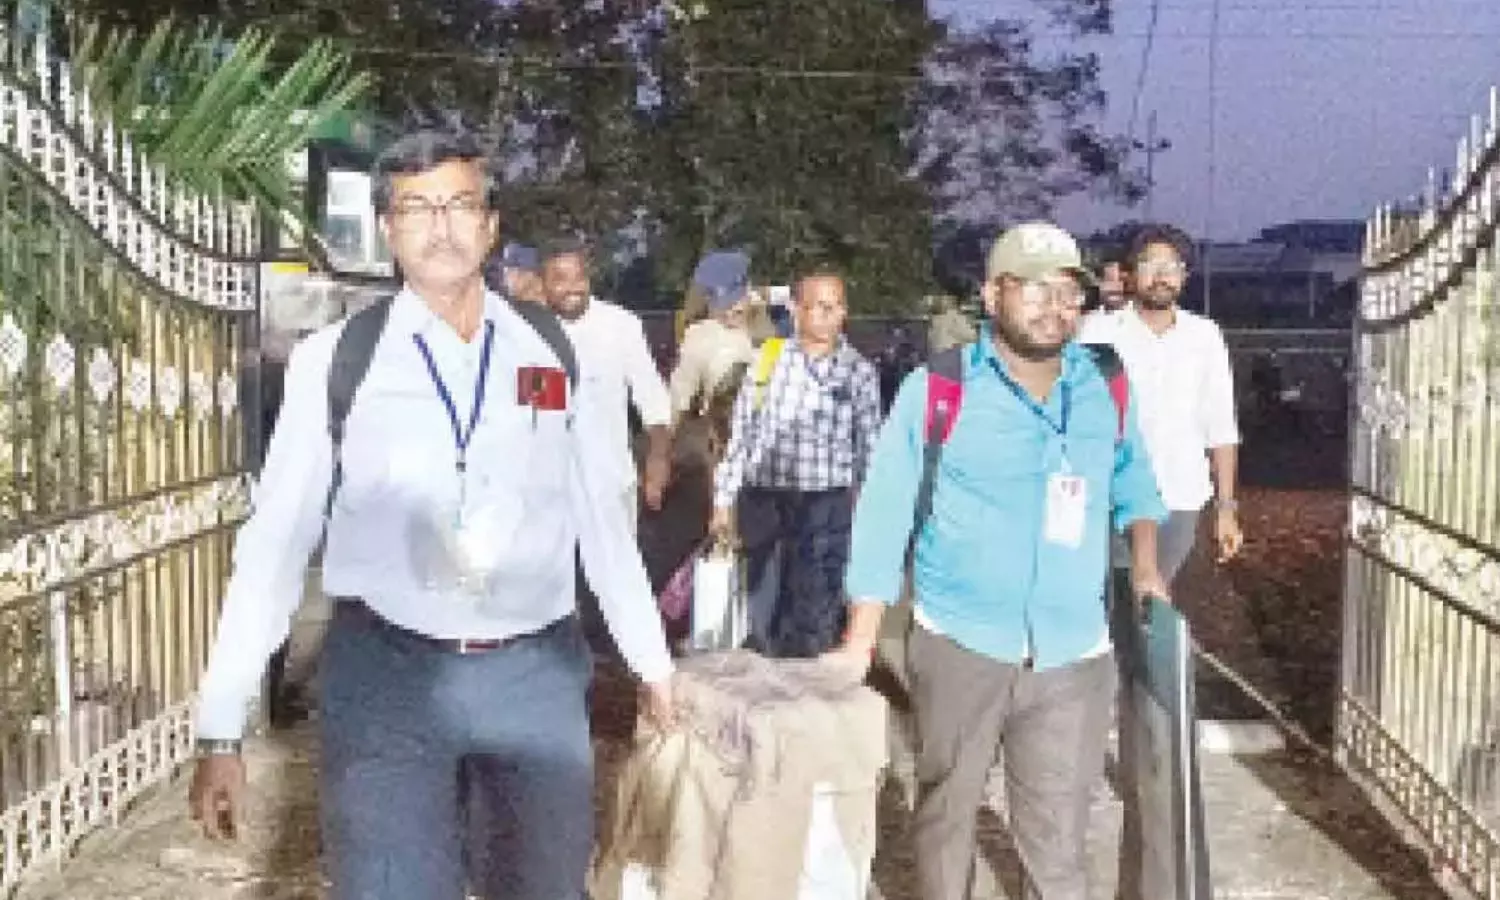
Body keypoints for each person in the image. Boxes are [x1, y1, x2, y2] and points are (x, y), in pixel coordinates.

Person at [187, 123, 675, 900]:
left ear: (490, 224)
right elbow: (274, 545)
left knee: (546, 887)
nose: (441, 225)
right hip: (389, 680)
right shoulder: (335, 363)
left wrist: (652, 664)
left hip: (534, 679)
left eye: (459, 204)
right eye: (416, 207)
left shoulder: (553, 356)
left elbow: (602, 523)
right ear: (387, 229)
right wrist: (222, 722)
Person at [829, 221, 1169, 900]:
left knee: (1058, 844)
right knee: (946, 820)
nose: (1055, 306)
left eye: (1069, 292)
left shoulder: (1105, 384)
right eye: (1035, 289)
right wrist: (859, 640)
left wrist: (1149, 565)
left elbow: (1134, 482)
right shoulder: (939, 390)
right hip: (961, 643)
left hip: (1073, 653)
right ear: (993, 295)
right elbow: (885, 512)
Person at [710, 266, 882, 658]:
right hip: (764, 500)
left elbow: (869, 447)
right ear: (796, 310)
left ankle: (805, 694)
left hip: (825, 504)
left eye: (837, 307)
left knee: (815, 607)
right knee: (761, 606)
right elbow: (742, 435)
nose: (830, 315)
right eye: (819, 306)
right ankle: (760, 689)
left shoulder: (857, 373)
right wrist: (722, 500)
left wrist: (870, 513)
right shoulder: (767, 361)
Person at [1078, 222, 1244, 582]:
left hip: (1179, 496)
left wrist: (1226, 507)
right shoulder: (1097, 333)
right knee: (1111, 599)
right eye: (1151, 265)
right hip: (1108, 497)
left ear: (1184, 276)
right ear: (1129, 274)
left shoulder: (1204, 336)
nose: (1162, 276)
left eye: (1173, 267)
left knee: (1151, 600)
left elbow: (1220, 425)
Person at [540, 237, 673, 522]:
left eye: (579, 278)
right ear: (543, 284)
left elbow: (651, 397)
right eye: (560, 280)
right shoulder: (532, 333)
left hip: (612, 487)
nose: (572, 289)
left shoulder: (621, 326)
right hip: (552, 496)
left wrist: (658, 457)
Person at [668, 250, 756, 423]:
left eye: (735, 301)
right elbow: (678, 402)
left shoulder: (785, 320)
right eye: (721, 306)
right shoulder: (700, 338)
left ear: (749, 288)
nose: (729, 312)